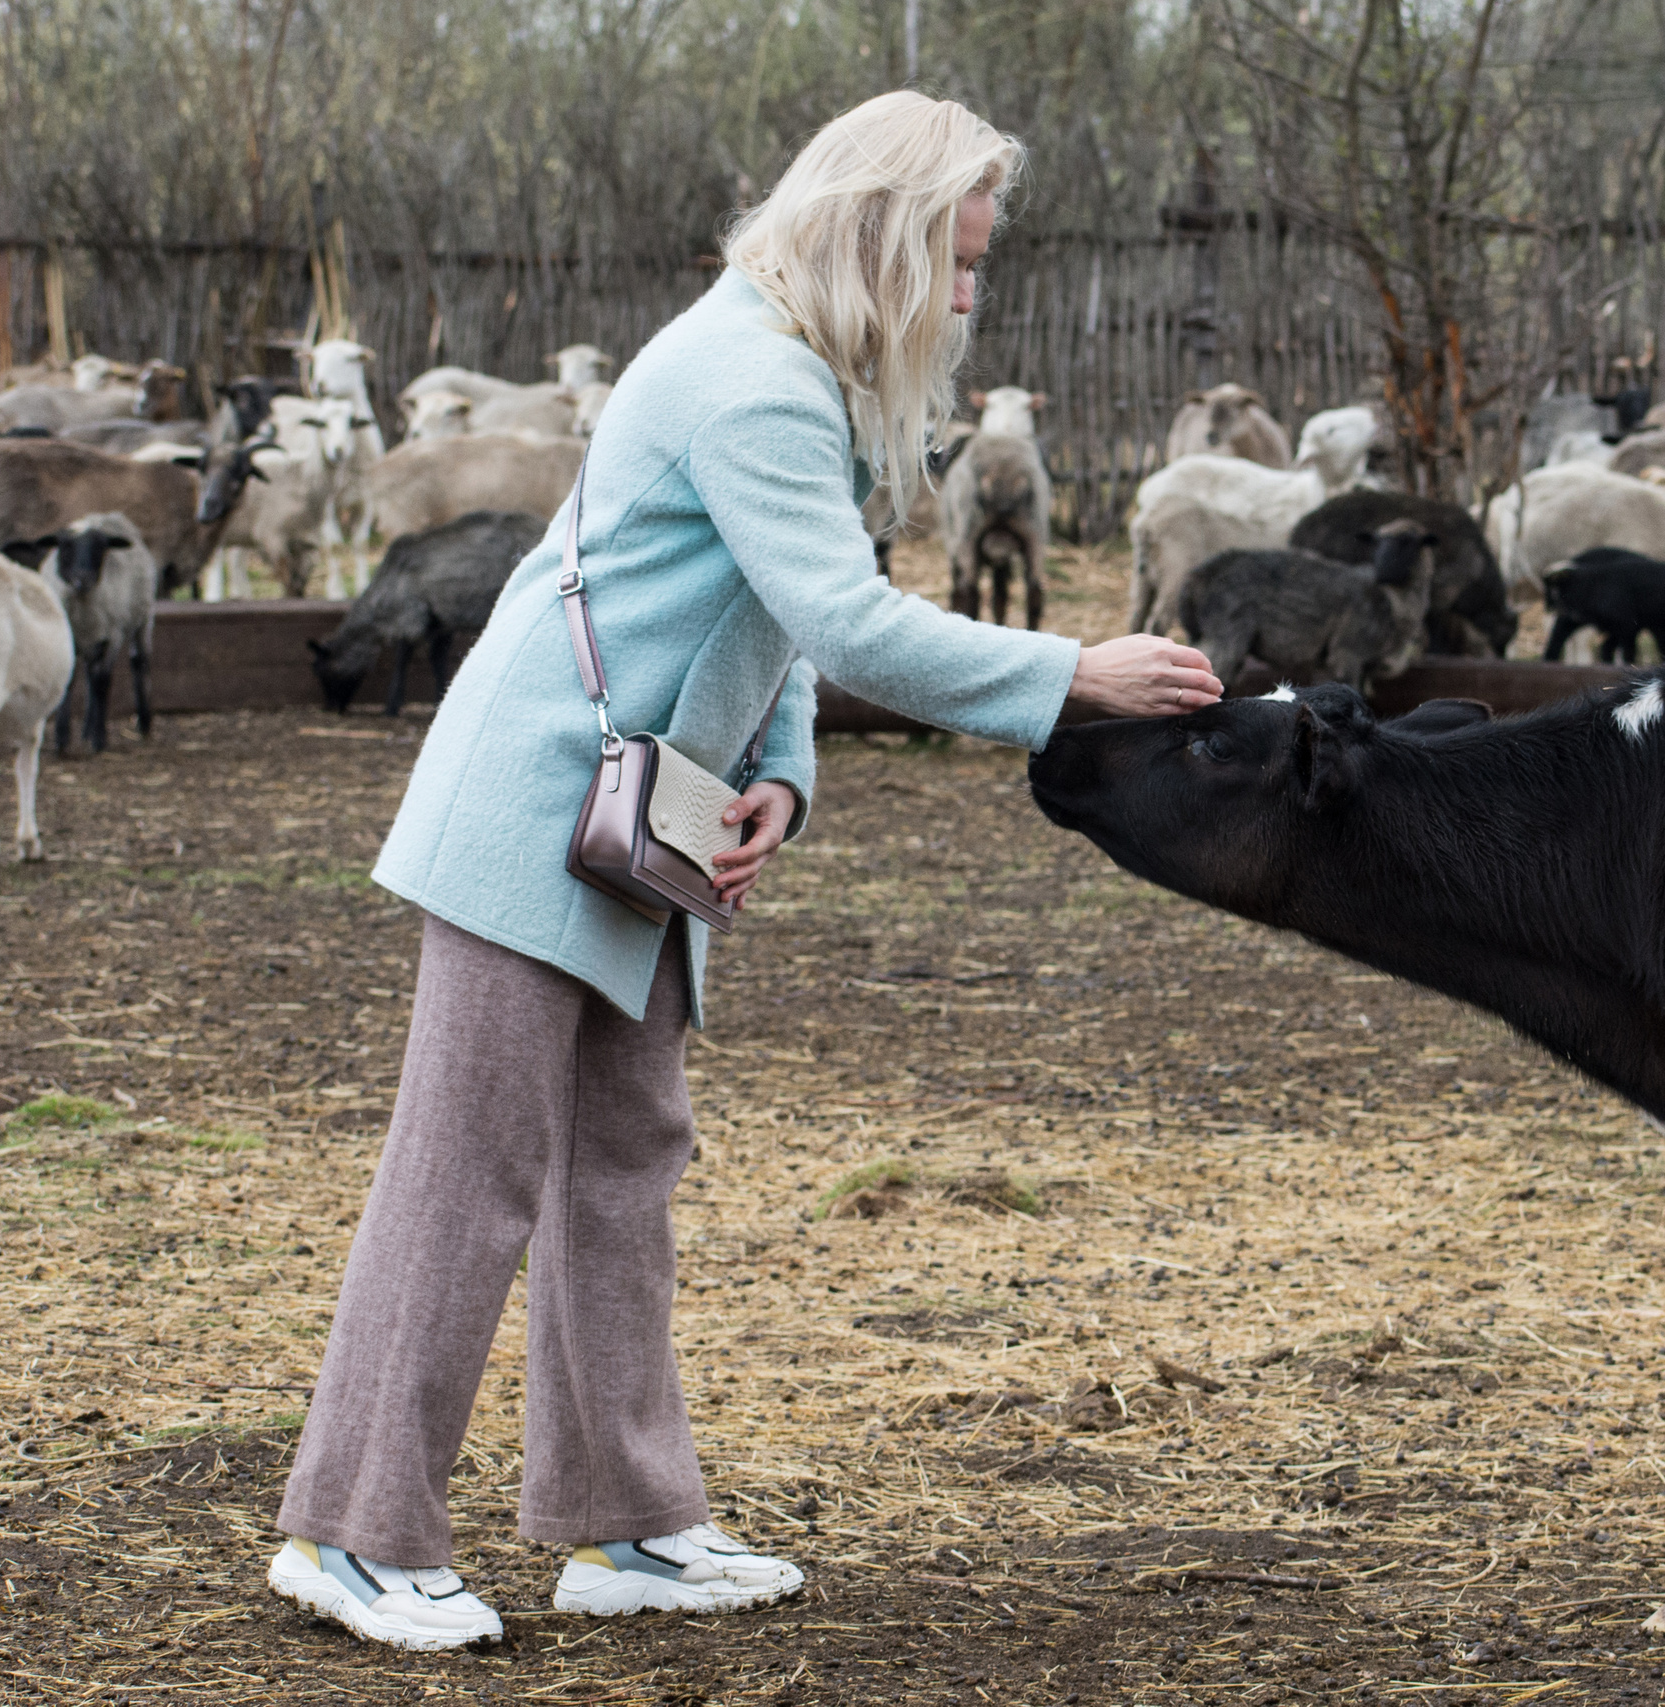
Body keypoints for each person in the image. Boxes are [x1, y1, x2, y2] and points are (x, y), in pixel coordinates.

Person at [265, 92, 1221, 1650]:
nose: (972, 297)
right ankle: (355, 1535)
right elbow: (855, 626)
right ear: (883, 237)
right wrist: (1073, 674)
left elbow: (772, 611)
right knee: (471, 1165)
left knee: (621, 1160)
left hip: (639, 809)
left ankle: (626, 1527)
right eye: (960, 263)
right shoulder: (757, 381)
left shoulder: (785, 373)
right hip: (536, 808)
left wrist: (782, 771)